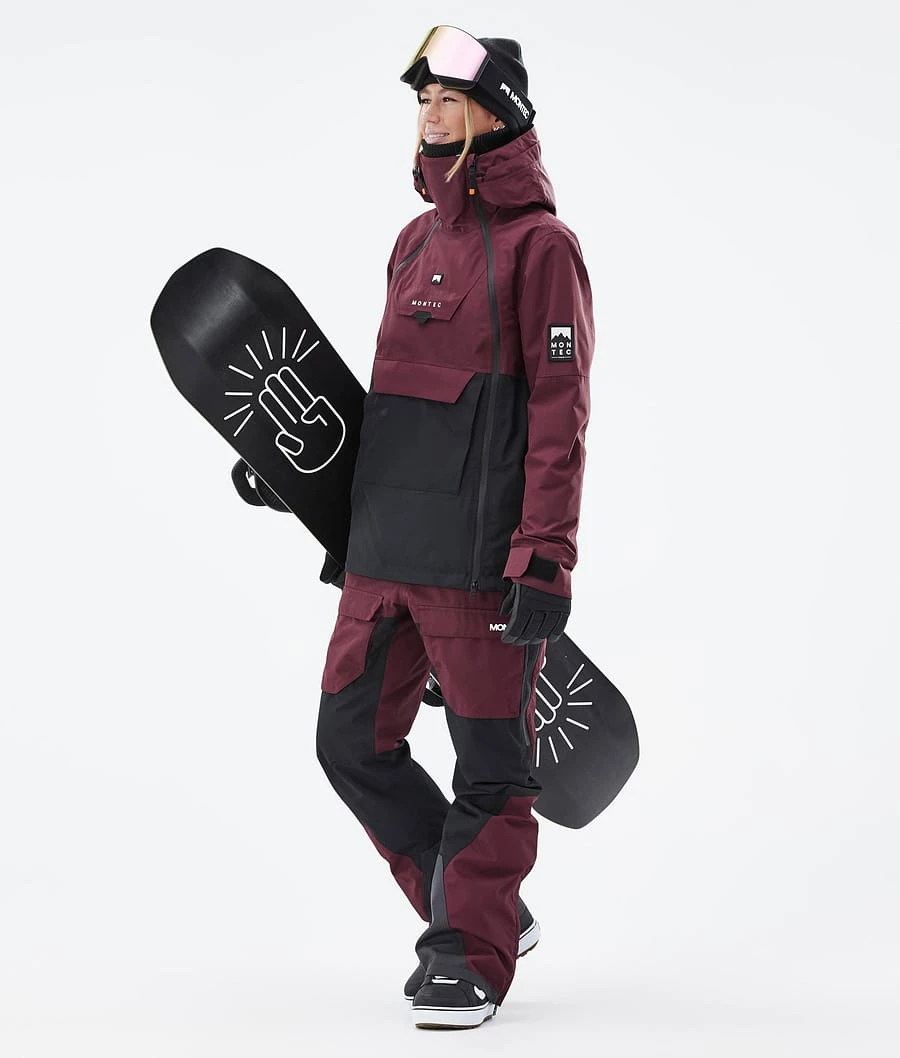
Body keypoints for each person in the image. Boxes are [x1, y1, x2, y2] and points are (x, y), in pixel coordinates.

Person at [315, 25, 594, 1030]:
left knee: (491, 768)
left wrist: (545, 553)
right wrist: (308, 483)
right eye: (423, 98)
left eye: (450, 98)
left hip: (477, 561)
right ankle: (476, 900)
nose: (431, 113)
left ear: (498, 111)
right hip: (383, 551)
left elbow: (560, 413)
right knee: (349, 742)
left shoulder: (543, 248)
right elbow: (396, 401)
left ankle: (466, 954)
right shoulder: (411, 242)